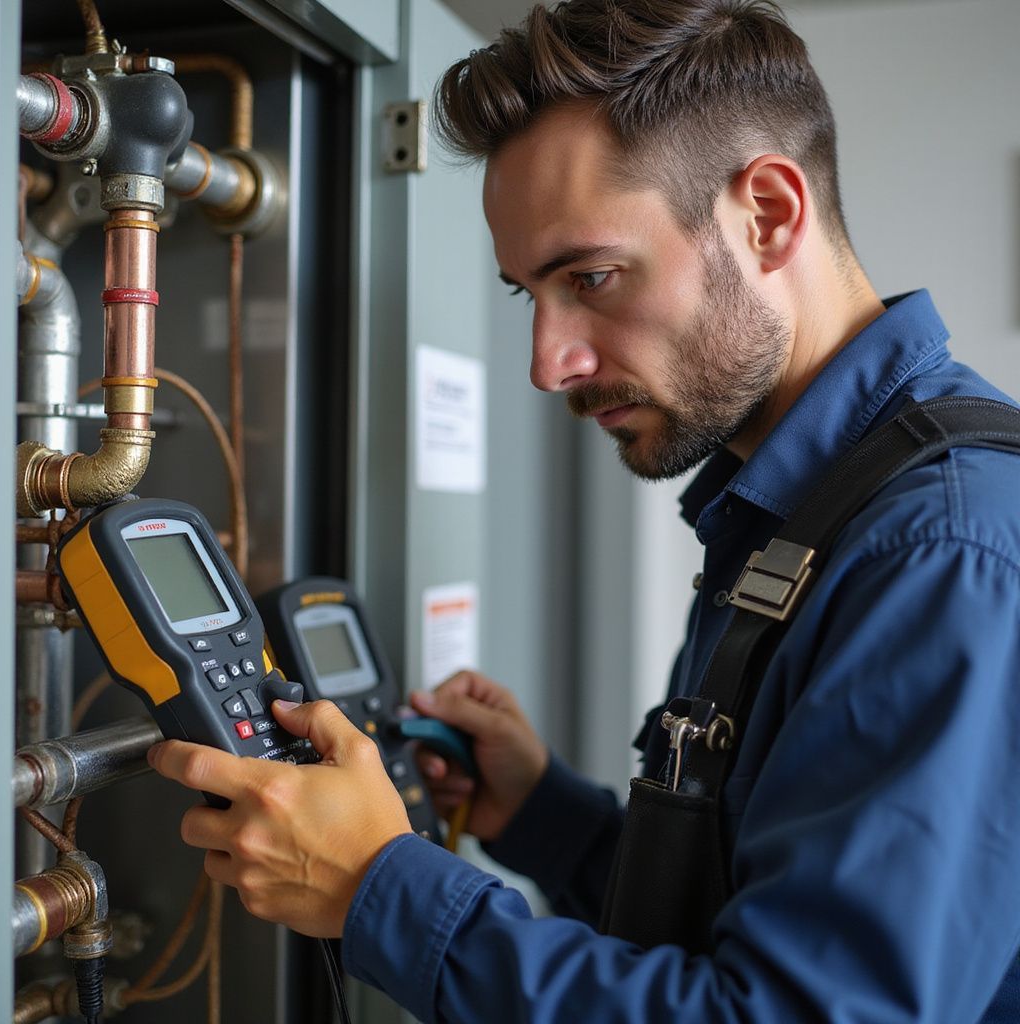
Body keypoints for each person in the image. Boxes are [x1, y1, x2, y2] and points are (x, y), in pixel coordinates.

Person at [148, 1, 1020, 1020]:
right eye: (531, 294)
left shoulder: (942, 550)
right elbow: (743, 929)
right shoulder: (802, 518)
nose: (546, 362)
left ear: (769, 216)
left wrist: (377, 889)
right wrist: (544, 817)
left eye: (591, 278)